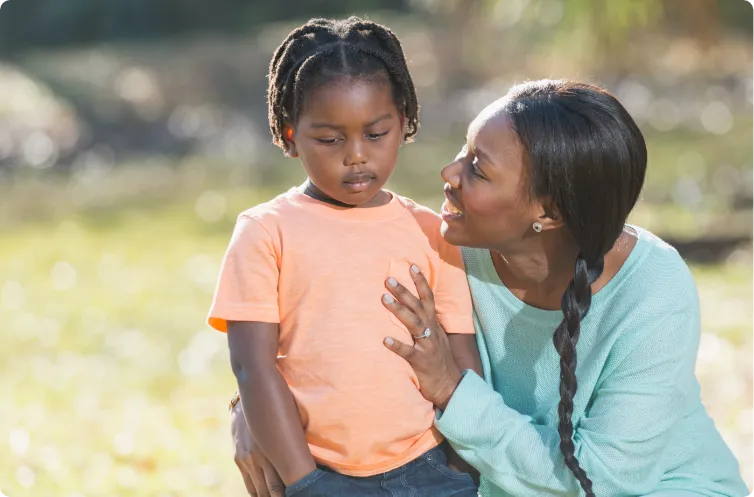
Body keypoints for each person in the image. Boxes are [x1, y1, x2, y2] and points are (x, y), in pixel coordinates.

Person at [232, 79, 749, 497]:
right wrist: (251, 410)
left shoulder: (653, 291)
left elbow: (607, 480)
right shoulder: (443, 245)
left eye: (478, 169)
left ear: (547, 212)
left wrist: (453, 390)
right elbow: (329, 332)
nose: (448, 172)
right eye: (464, 150)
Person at [209, 16, 482, 497]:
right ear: (290, 135)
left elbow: (463, 358)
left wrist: (463, 472)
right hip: (317, 472)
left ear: (404, 123)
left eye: (376, 134)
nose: (356, 155)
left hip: (431, 469)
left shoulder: (431, 232)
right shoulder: (265, 232)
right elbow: (252, 367)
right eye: (330, 140)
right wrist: (305, 483)